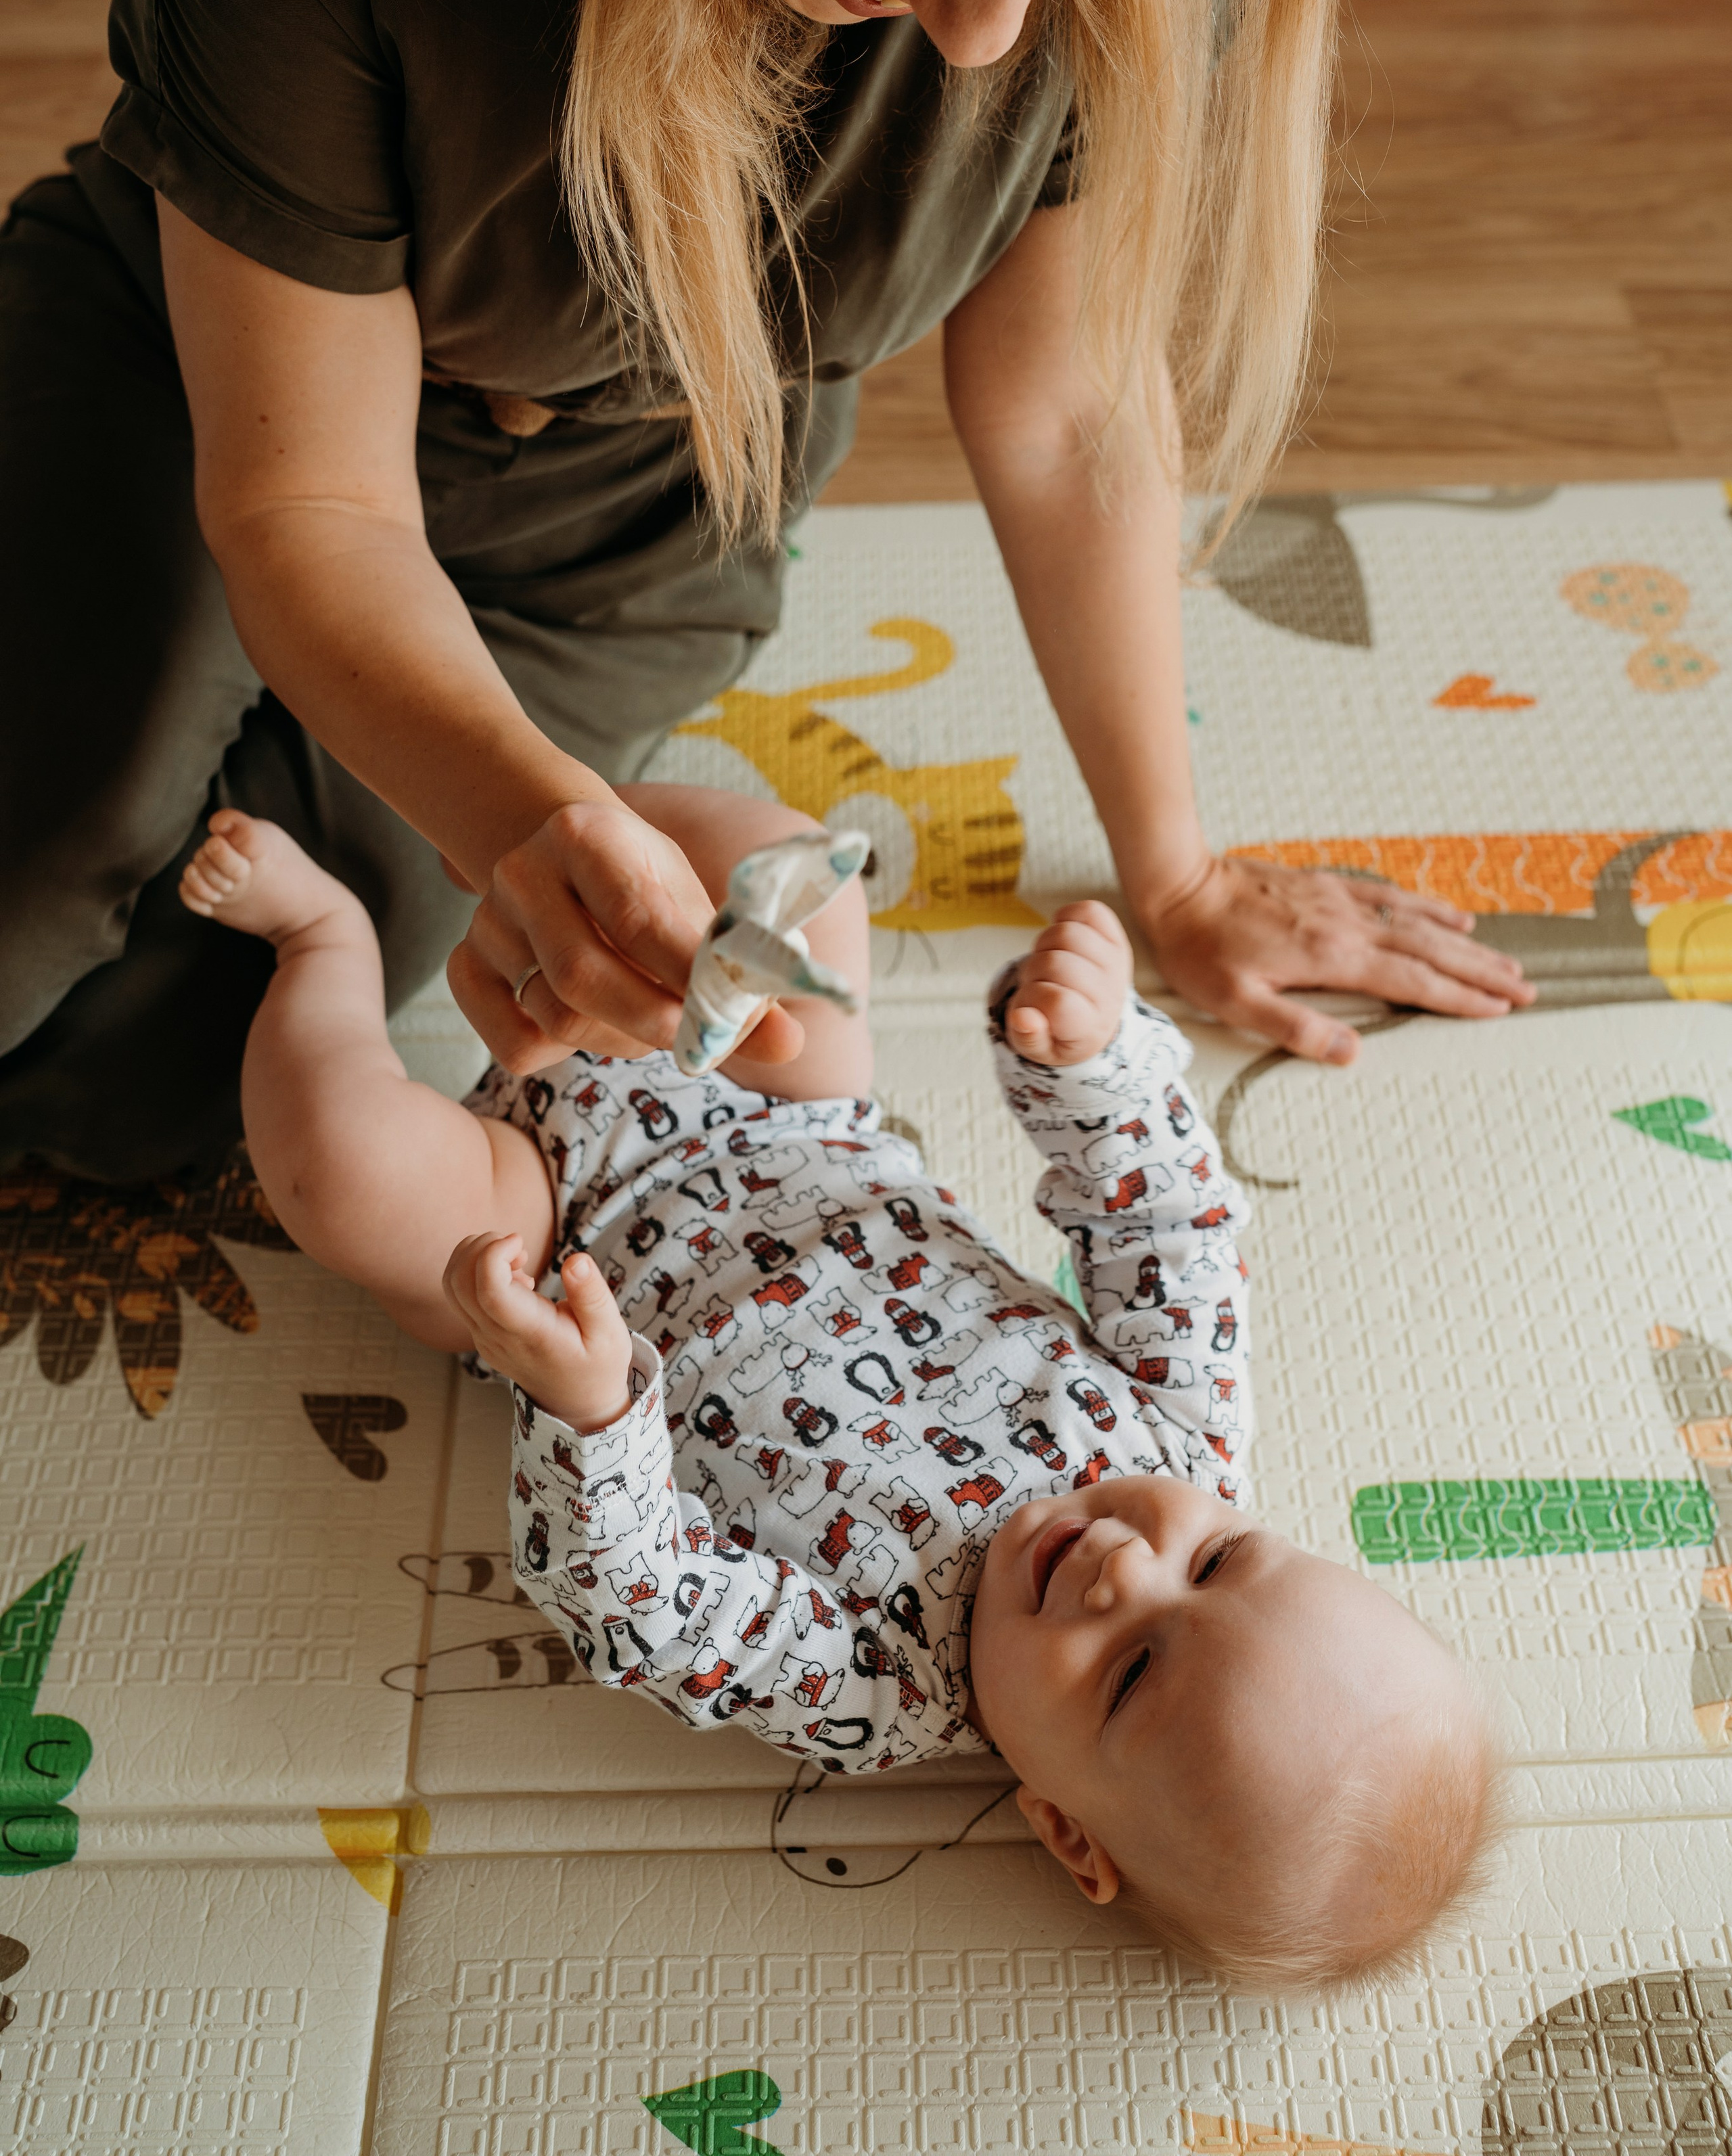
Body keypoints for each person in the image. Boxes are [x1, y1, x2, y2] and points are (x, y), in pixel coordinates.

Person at [0, 0, 1534, 1184]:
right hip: (194, 386)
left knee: (159, 1084)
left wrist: (1177, 880)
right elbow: (312, 493)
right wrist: (525, 822)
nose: (984, 36)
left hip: (624, 530)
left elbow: (1068, 410)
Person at [176, 789, 1497, 1987]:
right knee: (791, 866)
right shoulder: (1185, 1439)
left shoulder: (875, 1687)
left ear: (1060, 1828)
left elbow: (645, 1602)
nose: (1122, 1568)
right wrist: (1091, 1063)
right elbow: (1164, 1225)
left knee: (341, 1175)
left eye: (1134, 1671)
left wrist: (587, 1409)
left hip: (548, 1234)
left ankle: (325, 949)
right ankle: (545, 836)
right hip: (778, 1097)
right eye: (1217, 1565)